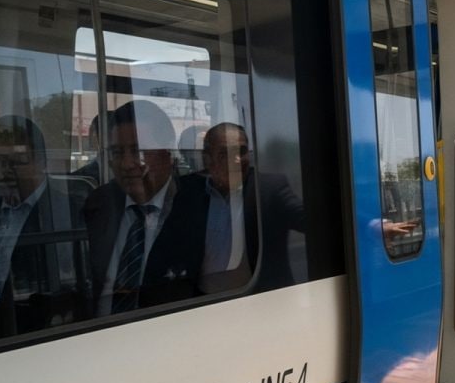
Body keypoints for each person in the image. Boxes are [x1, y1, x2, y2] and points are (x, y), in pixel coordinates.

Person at [0, 115, 88, 336]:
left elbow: (63, 291)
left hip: (32, 330)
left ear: (41, 161)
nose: (2, 173)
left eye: (14, 162)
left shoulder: (66, 211)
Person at [83, 100, 205, 316]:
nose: (127, 164)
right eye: (117, 153)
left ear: (167, 152)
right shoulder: (99, 203)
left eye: (138, 151)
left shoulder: (198, 204)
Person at [180, 122, 306, 292]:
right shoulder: (190, 191)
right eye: (225, 153)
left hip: (261, 303)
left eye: (242, 151)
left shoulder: (269, 190)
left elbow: (309, 220)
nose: (237, 160)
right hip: (204, 304)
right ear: (207, 159)